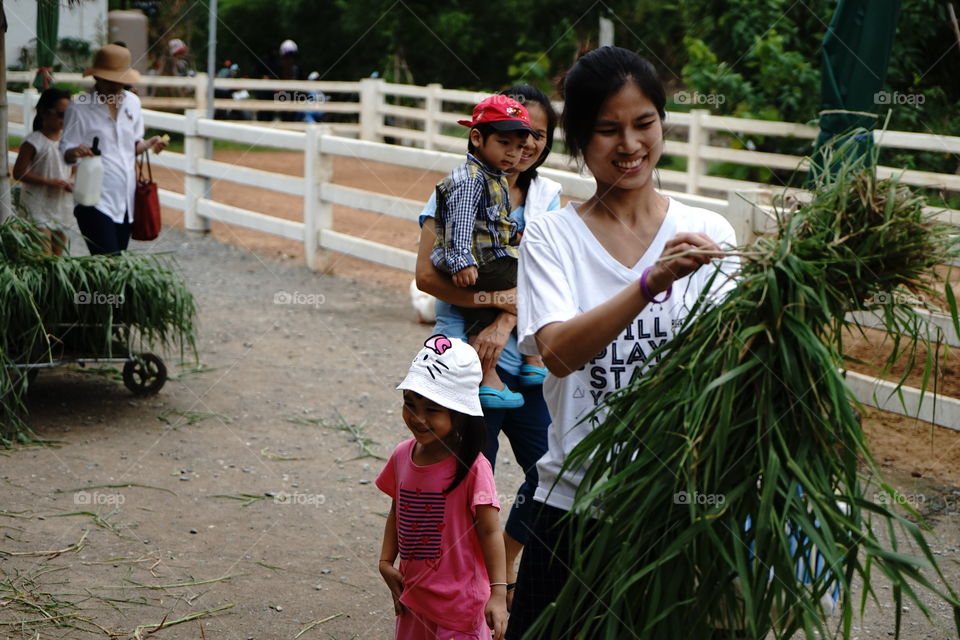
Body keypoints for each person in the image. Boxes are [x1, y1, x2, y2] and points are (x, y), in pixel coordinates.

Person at [505, 46, 739, 638]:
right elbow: (556, 352)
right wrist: (648, 283)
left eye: (644, 124)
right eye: (608, 129)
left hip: (677, 510)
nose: (630, 145)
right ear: (581, 139)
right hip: (575, 508)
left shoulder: (709, 234)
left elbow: (731, 368)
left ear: (663, 123)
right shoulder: (552, 238)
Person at [415, 84, 560, 608]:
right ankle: (455, 586)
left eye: (536, 137)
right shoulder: (455, 188)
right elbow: (428, 278)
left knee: (550, 469)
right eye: (515, 135)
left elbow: (554, 279)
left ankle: (503, 565)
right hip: (465, 354)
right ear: (486, 136)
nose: (524, 147)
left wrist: (502, 317)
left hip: (523, 353)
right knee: (469, 472)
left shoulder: (549, 199)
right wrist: (501, 300)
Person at [377, 334, 508, 640]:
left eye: (433, 410)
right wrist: (385, 561)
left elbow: (490, 531)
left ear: (459, 413)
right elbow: (398, 509)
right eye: (410, 405)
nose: (418, 418)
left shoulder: (474, 468)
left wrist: (498, 594)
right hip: (413, 599)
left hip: (461, 607)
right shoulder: (401, 455)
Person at [431, 95, 547, 410]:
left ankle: (498, 376)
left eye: (520, 146)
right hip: (478, 262)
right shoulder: (471, 180)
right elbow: (460, 223)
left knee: (489, 305)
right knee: (536, 279)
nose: (514, 153)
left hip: (485, 258)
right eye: (504, 143)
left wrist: (515, 234)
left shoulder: (493, 177)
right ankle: (530, 358)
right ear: (477, 138)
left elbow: (493, 222)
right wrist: (461, 261)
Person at [60, 44, 168, 255]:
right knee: (109, 260)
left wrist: (149, 144)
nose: (115, 86)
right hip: (94, 197)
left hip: (125, 198)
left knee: (116, 266)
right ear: (97, 78)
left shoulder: (132, 103)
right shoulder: (80, 106)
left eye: (120, 81)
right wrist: (77, 151)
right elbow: (66, 151)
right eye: (109, 80)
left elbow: (132, 146)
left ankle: (93, 290)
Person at [12, 87, 74, 255]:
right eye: (61, 114)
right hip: (37, 206)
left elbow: (73, 169)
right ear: (44, 113)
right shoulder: (34, 142)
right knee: (43, 256)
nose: (65, 120)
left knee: (58, 257)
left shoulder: (68, 141)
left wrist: (71, 183)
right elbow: (19, 173)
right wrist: (48, 182)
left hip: (60, 205)